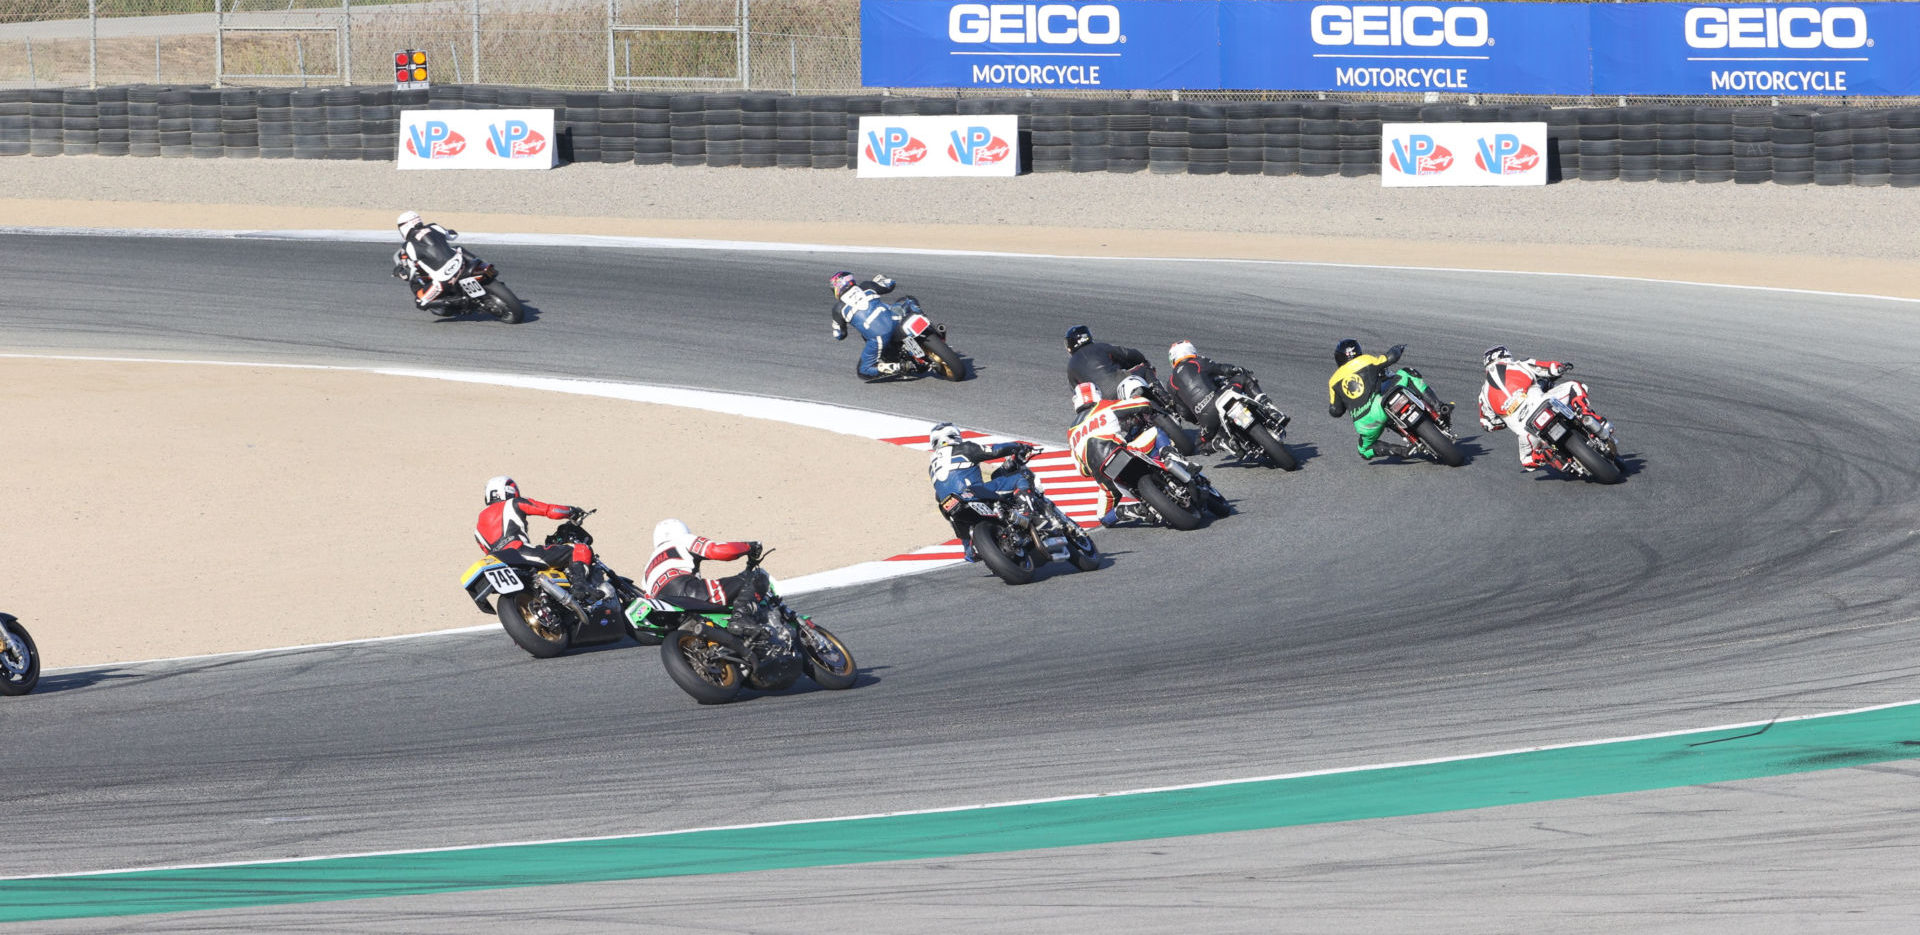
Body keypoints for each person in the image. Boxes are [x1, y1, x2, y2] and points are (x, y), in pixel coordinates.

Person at [473, 475, 603, 609]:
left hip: (503, 562)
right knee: (580, 549)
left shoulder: (477, 529)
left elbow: (487, 549)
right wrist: (571, 511)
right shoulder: (514, 503)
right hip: (520, 552)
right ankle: (580, 586)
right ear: (508, 490)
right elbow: (550, 510)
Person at [926, 421, 1037, 561]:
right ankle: (1024, 511)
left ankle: (968, 547)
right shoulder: (964, 448)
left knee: (955, 515)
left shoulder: (932, 468)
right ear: (954, 435)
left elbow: (938, 493)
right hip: (973, 492)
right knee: (1020, 477)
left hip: (949, 505)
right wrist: (1018, 446)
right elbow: (994, 451)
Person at [1327, 338, 1452, 461]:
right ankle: (1439, 407)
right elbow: (1391, 357)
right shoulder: (1365, 360)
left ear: (1338, 358)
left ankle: (1401, 450)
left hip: (1364, 424)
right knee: (1407, 373)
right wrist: (1399, 348)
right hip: (1379, 407)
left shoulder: (1333, 381)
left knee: (1364, 450)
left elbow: (1336, 411)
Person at [1477, 345, 1595, 471]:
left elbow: (1487, 424)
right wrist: (1561, 367)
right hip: (1544, 405)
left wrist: (1503, 421)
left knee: (1527, 461)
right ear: (1506, 355)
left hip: (1526, 431)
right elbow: (1550, 368)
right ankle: (1585, 414)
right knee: (1574, 386)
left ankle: (1545, 456)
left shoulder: (1483, 395)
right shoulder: (1520, 364)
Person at [1065, 382, 1161, 527]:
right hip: (1121, 453)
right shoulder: (1103, 406)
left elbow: (1082, 470)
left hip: (1104, 475)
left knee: (1103, 517)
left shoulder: (1072, 433)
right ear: (1097, 393)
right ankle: (1170, 456)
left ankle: (1131, 510)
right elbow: (1141, 403)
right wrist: (1141, 400)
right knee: (1156, 432)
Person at [1166, 340, 1268, 452]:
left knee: (1200, 445)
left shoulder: (1170, 384)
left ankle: (1221, 443)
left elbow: (1184, 413)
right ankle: (1267, 405)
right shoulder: (1197, 361)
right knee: (1243, 378)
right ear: (1191, 350)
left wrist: (1198, 419)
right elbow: (1222, 369)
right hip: (1219, 398)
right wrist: (1237, 369)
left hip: (1206, 418)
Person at [642, 518, 764, 611]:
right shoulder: (682, 540)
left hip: (664, 606)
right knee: (754, 579)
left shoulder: (647, 567)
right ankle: (741, 619)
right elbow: (718, 551)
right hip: (689, 591)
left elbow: (647, 596)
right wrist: (749, 546)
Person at [829, 271, 930, 380]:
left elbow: (839, 335)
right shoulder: (866, 286)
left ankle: (899, 366)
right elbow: (890, 285)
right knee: (908, 300)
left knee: (863, 371)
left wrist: (842, 327)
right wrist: (880, 280)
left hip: (878, 338)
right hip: (895, 319)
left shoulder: (838, 310)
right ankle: (927, 326)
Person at [391, 210, 464, 315]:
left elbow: (410, 273)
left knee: (420, 302)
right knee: (458, 248)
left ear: (404, 226)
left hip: (444, 277)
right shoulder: (434, 227)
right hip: (460, 262)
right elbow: (453, 235)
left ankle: (459, 301)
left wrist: (400, 273)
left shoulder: (408, 246)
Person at [1064, 325, 1156, 399]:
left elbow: (1077, 392)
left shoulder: (1070, 367)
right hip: (1120, 383)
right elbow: (1128, 354)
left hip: (1102, 401)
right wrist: (1142, 360)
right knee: (1145, 368)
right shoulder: (1100, 347)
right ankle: (1166, 399)